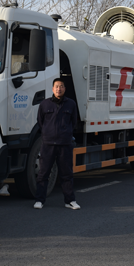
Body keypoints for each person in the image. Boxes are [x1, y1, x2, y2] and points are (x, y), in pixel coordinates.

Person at [34, 78, 80, 210]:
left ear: (65, 88)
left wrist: (66, 133)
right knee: (43, 173)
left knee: (66, 174)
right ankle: (39, 200)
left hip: (65, 144)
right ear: (53, 89)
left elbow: (73, 122)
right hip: (48, 144)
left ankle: (70, 201)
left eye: (61, 86)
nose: (59, 89)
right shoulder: (45, 104)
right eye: (56, 86)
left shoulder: (71, 104)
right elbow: (40, 122)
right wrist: (48, 133)